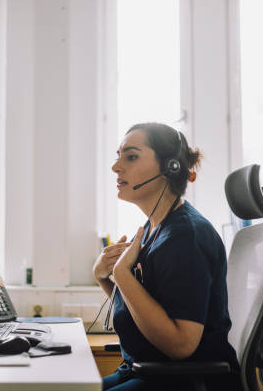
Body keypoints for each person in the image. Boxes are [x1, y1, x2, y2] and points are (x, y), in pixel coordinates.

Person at [93, 122, 241, 391]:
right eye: (118, 156)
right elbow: (144, 311)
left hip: (184, 383)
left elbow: (181, 344)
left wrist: (122, 275)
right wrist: (104, 277)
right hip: (145, 372)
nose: (116, 166)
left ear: (170, 167)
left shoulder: (186, 238)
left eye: (131, 156)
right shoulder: (154, 228)